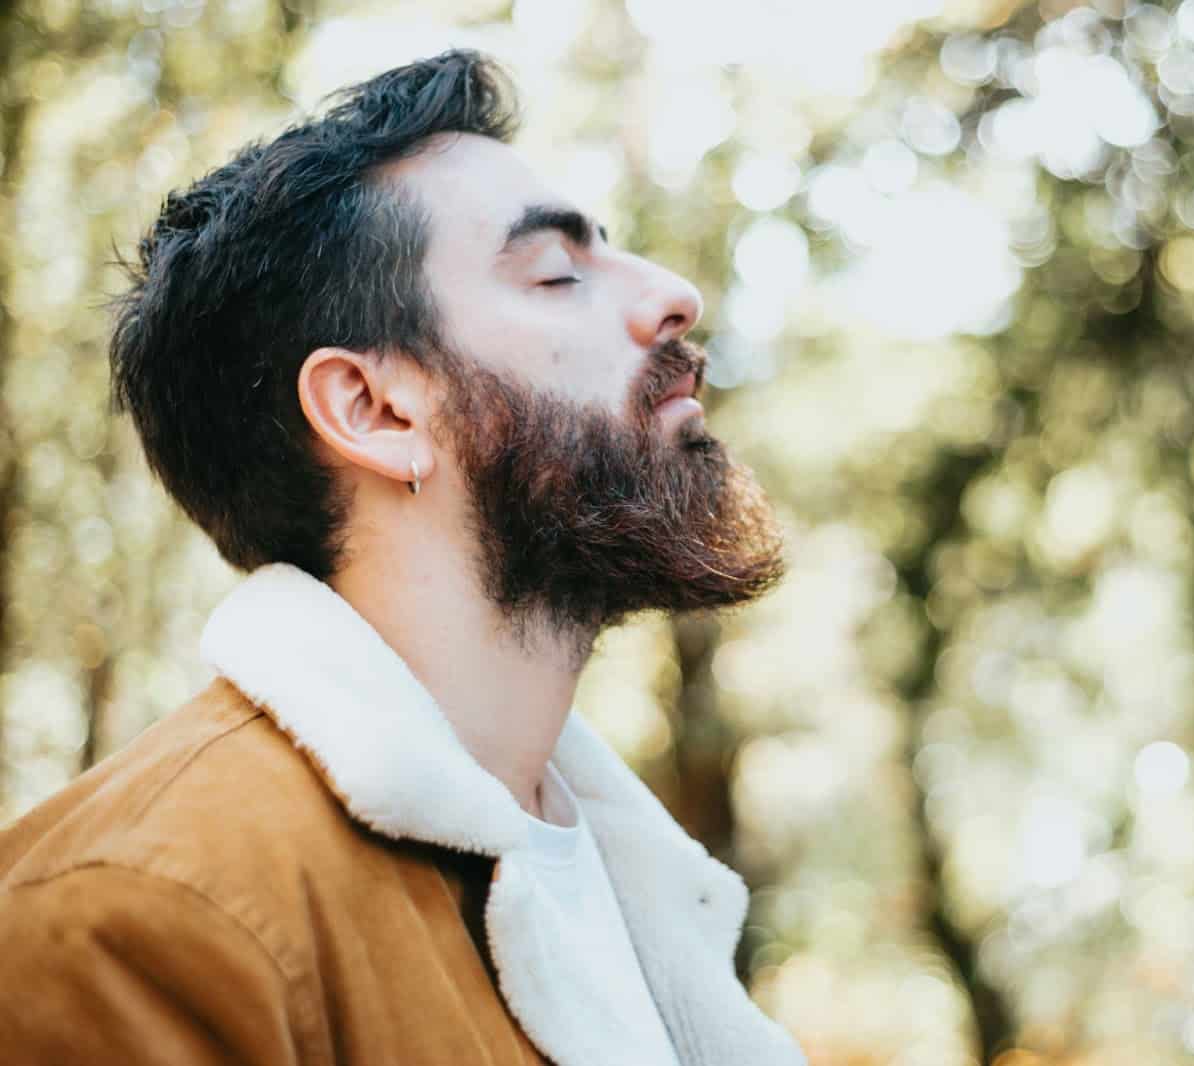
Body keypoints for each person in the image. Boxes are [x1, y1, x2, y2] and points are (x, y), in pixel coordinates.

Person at [0, 49, 801, 1066]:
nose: (673, 296)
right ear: (375, 410)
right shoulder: (134, 919)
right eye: (557, 274)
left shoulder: (633, 886)